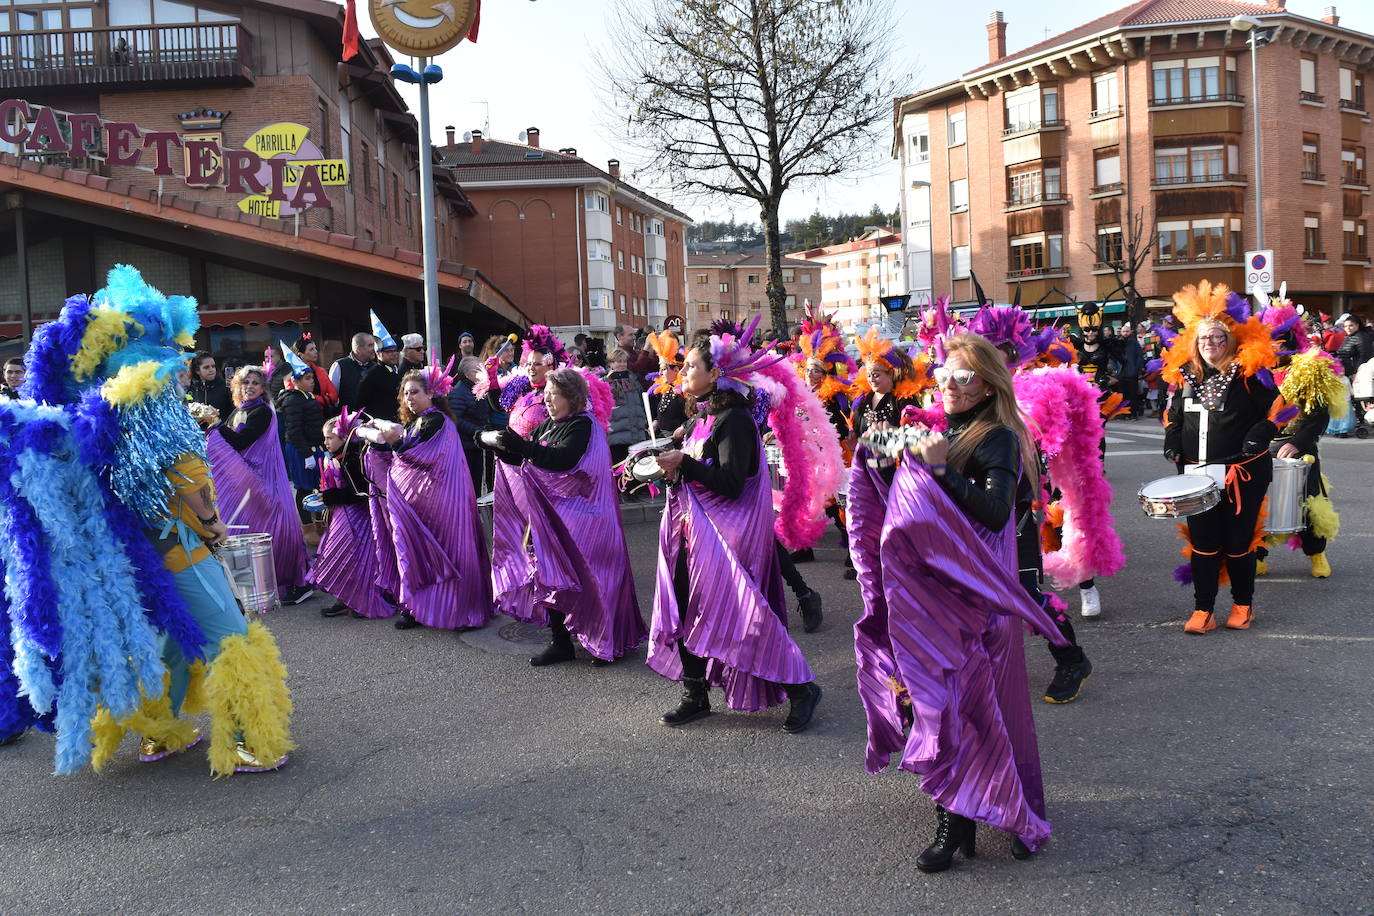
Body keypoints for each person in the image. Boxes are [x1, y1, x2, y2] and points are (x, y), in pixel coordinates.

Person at [3, 264, 292, 776]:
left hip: (140, 550)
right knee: (230, 634)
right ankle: (250, 742)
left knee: (172, 640)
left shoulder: (103, 407)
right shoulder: (152, 398)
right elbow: (182, 474)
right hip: (179, 539)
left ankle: (159, 737)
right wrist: (210, 517)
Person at [852, 332, 1068, 872]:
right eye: (944, 375)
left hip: (979, 603)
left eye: (964, 377)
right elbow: (897, 475)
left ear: (988, 385)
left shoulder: (998, 437)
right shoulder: (944, 426)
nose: (949, 384)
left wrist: (942, 468)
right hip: (936, 599)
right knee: (943, 706)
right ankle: (955, 824)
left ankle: (1020, 811)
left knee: (994, 711)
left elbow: (995, 515)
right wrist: (881, 448)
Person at [648, 329, 823, 733]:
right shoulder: (707, 416)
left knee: (748, 618)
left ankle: (802, 688)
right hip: (694, 535)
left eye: (691, 366)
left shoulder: (736, 421)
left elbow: (730, 482)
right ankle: (695, 693)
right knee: (684, 605)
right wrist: (676, 459)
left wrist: (684, 464)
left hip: (729, 541)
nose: (683, 371)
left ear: (716, 373)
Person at [482, 368, 647, 665]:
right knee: (549, 575)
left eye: (553, 395)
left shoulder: (583, 426)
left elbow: (565, 461)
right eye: (544, 395)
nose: (546, 401)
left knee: (595, 579)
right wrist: (496, 445)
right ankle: (561, 643)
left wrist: (521, 446)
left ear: (572, 397)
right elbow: (528, 458)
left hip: (586, 519)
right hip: (552, 518)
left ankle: (605, 640)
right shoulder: (547, 425)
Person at [1161, 282, 1279, 634]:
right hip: (1196, 474)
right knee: (1204, 544)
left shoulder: (1250, 374)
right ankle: (1204, 609)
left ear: (1230, 340)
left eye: (1217, 337)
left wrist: (1263, 432)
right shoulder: (1185, 377)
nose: (1210, 344)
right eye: (1203, 339)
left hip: (1242, 474)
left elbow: (1279, 407)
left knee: (1239, 543)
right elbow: (1175, 417)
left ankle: (1243, 606)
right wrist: (1171, 438)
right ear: (1194, 343)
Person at [371, 367, 493, 631]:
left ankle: (465, 611)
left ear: (431, 393)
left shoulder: (436, 421)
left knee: (452, 551)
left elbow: (415, 457)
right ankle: (416, 607)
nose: (409, 398)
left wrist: (394, 444)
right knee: (414, 550)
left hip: (446, 503)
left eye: (415, 392)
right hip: (422, 502)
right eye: (405, 394)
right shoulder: (415, 422)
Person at [206, 364, 313, 605]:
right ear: (237, 387)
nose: (250, 387)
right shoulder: (239, 411)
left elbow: (241, 441)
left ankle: (295, 582)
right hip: (245, 481)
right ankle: (250, 582)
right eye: (245, 383)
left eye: (255, 383)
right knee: (246, 529)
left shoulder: (262, 412)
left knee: (269, 529)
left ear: (263, 388)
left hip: (261, 479)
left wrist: (213, 428)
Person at [311, 410, 394, 619]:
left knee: (353, 559)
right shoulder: (338, 456)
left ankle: (360, 599)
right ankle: (346, 598)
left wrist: (331, 497)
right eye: (325, 438)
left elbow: (359, 492)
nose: (326, 442)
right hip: (343, 516)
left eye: (330, 437)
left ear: (344, 437)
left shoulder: (352, 459)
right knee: (341, 557)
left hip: (357, 518)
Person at [274, 344, 327, 521]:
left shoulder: (308, 396)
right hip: (301, 450)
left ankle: (320, 521)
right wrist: (306, 455)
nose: (312, 381)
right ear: (296, 382)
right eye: (307, 378)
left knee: (320, 485)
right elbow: (294, 430)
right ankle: (307, 526)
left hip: (314, 447)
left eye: (312, 377)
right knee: (304, 487)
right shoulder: (292, 400)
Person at [449, 355, 491, 492]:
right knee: (467, 487)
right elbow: (456, 420)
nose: (482, 372)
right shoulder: (458, 392)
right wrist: (478, 431)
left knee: (477, 486)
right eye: (477, 370)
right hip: (465, 448)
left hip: (476, 445)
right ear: (467, 374)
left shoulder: (477, 388)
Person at [606, 347, 650, 467]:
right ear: (611, 363)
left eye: (624, 361)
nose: (622, 364)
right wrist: (607, 380)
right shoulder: (605, 382)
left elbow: (641, 403)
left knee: (638, 471)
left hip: (637, 435)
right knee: (621, 471)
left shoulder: (634, 380)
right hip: (617, 438)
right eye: (618, 361)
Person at [357, 312, 403, 422]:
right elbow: (360, 403)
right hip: (380, 425)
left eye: (395, 351)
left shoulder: (397, 371)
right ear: (378, 354)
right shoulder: (371, 375)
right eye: (388, 352)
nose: (393, 354)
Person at [329, 330, 377, 410]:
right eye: (370, 345)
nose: (374, 349)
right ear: (358, 349)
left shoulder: (375, 367)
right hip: (348, 419)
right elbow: (333, 396)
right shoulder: (340, 366)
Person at [291, 333, 339, 410]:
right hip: (302, 415)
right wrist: (322, 399)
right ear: (301, 355)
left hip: (321, 414)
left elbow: (334, 396)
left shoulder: (321, 371)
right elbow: (293, 398)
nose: (316, 351)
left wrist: (313, 398)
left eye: (315, 348)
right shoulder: (292, 374)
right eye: (311, 349)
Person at [186, 352, 233, 417]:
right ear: (197, 370)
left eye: (213, 366)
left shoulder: (226, 387)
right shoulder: (190, 390)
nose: (211, 370)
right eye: (206, 367)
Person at [615, 323, 657, 388]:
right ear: (619, 337)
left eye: (634, 334)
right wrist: (646, 349)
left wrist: (656, 348)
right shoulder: (616, 356)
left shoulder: (638, 353)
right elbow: (637, 370)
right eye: (630, 335)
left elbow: (654, 368)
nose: (634, 337)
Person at [1335, 313, 1374, 380]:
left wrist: (1357, 372)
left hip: (1357, 374)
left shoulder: (1361, 337)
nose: (1348, 328)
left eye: (1351, 325)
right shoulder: (1350, 336)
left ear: (1357, 325)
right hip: (1347, 372)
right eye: (1345, 326)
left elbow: (1364, 356)